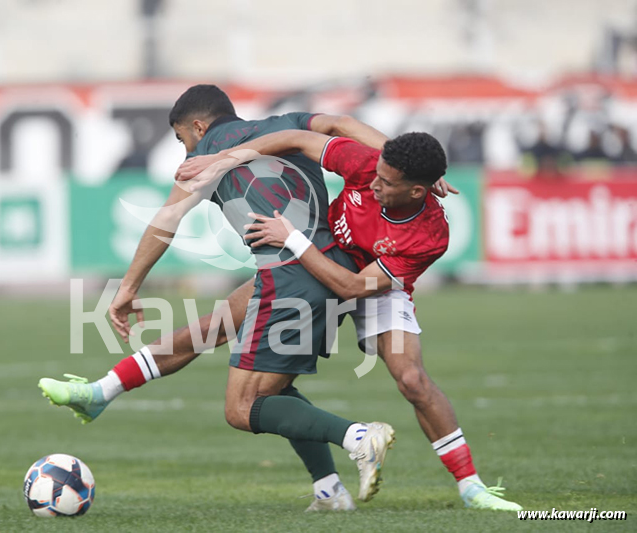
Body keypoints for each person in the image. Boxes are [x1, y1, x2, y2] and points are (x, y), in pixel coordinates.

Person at [41, 84, 402, 511]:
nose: (183, 149)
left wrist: (128, 288)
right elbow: (342, 124)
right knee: (213, 329)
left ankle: (358, 437)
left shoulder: (202, 161)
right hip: (328, 263)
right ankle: (103, 391)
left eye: (181, 139)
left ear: (197, 126)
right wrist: (410, 168)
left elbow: (166, 219)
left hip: (289, 277)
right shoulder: (283, 125)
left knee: (243, 407)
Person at [176, 127, 523, 512]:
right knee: (229, 342)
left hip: (371, 283)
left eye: (387, 182)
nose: (374, 183)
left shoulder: (429, 235)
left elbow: (355, 287)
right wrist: (224, 159)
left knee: (412, 379)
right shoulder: (368, 165)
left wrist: (292, 238)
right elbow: (295, 136)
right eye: (377, 173)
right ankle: (330, 486)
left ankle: (470, 486)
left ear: (417, 192)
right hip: (318, 264)